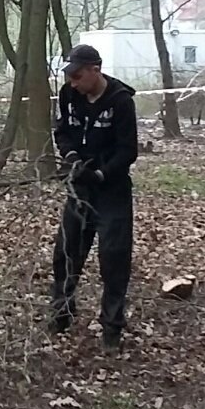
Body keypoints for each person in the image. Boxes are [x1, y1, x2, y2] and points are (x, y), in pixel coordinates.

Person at [50, 44, 139, 348]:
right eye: (69, 76)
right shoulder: (68, 95)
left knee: (114, 258)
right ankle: (61, 313)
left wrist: (102, 173)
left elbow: (128, 150)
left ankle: (112, 328)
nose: (73, 82)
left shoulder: (121, 101)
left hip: (112, 192)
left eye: (77, 76)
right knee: (65, 253)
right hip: (79, 189)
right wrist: (72, 158)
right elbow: (61, 132)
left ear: (95, 70)